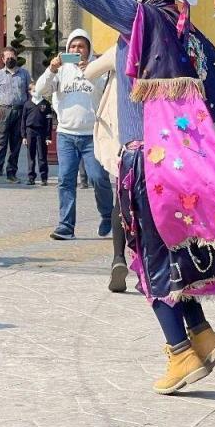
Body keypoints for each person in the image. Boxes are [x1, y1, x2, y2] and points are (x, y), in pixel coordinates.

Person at [14, 0, 215, 395]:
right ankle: (202, 335)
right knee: (175, 253)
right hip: (176, 161)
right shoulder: (188, 32)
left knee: (150, 258)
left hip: (147, 161)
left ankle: (179, 353)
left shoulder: (144, 18)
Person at [36, 29, 115, 240]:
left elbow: (103, 91)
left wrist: (89, 71)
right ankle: (66, 226)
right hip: (66, 134)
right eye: (72, 46)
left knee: (98, 177)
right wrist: (51, 69)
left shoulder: (97, 68)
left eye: (81, 46)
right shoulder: (61, 70)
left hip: (92, 134)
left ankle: (108, 215)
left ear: (88, 49)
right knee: (65, 179)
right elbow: (41, 90)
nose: (76, 50)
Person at [84, 46, 128, 291]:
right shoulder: (168, 45)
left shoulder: (122, 48)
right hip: (158, 135)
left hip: (124, 134)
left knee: (121, 198)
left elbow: (89, 73)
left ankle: (118, 257)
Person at [0, 47, 31, 184]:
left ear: (16, 57)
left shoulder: (24, 74)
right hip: (4, 111)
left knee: (15, 145)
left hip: (20, 111)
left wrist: (28, 111)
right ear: (3, 59)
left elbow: (30, 92)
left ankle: (12, 174)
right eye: (8, 57)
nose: (10, 59)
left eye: (12, 57)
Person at [20, 89, 53, 186]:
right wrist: (24, 136)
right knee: (31, 155)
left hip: (41, 132)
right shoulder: (27, 104)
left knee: (42, 155)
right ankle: (31, 178)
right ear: (29, 91)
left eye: (37, 90)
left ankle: (44, 178)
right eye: (33, 90)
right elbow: (23, 120)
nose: (35, 92)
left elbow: (49, 122)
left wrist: (48, 137)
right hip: (30, 131)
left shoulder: (46, 104)